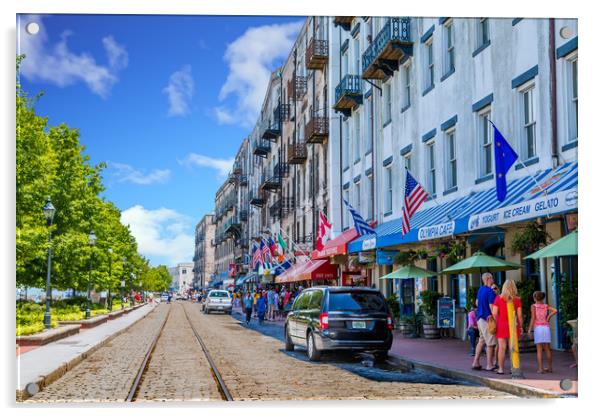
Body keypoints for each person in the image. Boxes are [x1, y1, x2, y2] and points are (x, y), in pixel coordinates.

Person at [492, 279, 523, 375]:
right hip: (513, 325)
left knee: (501, 348)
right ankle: (513, 368)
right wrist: (521, 326)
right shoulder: (517, 300)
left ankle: (501, 369)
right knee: (512, 347)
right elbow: (519, 315)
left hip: (501, 325)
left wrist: (498, 321)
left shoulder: (498, 298)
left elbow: (494, 313)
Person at [471, 273, 498, 371]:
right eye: (491, 278)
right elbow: (492, 308)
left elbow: (477, 303)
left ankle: (475, 362)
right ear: (487, 279)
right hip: (488, 319)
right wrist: (496, 319)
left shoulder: (480, 289)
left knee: (481, 341)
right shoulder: (490, 292)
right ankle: (489, 365)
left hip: (479, 318)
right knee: (490, 343)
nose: (493, 279)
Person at [527, 291, 557, 374]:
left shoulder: (533, 306)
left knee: (539, 349)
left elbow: (533, 318)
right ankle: (550, 368)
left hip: (538, 328)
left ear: (534, 298)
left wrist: (529, 329)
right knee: (547, 348)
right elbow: (555, 310)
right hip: (546, 328)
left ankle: (541, 369)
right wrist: (548, 317)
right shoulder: (546, 306)